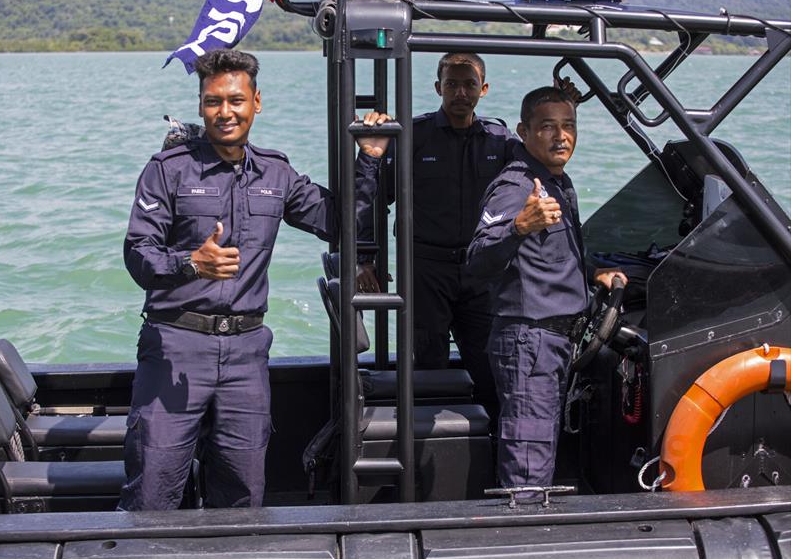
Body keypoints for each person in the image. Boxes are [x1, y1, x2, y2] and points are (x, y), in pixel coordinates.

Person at [120, 49, 384, 510]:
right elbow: (137, 255)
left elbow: (343, 223)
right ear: (201, 105)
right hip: (175, 345)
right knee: (153, 491)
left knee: (243, 494)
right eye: (213, 102)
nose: (225, 112)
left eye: (235, 101)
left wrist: (368, 161)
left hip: (246, 353)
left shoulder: (275, 173)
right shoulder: (167, 170)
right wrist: (190, 263)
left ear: (256, 102)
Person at [466, 86, 626, 490]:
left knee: (541, 454)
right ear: (523, 131)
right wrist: (519, 226)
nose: (561, 136)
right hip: (529, 343)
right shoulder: (517, 188)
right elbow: (478, 259)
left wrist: (591, 274)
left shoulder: (555, 182)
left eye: (569, 125)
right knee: (527, 464)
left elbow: (552, 251)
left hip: (554, 342)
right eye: (548, 127)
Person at [355, 53, 521, 420]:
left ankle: (489, 446)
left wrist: (564, 104)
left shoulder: (499, 140)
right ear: (437, 88)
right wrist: (365, 256)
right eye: (451, 84)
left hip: (481, 272)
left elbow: (536, 169)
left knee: (490, 364)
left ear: (484, 89)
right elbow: (372, 196)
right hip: (426, 270)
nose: (460, 92)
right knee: (428, 362)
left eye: (469, 84)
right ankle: (427, 453)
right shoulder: (414, 137)